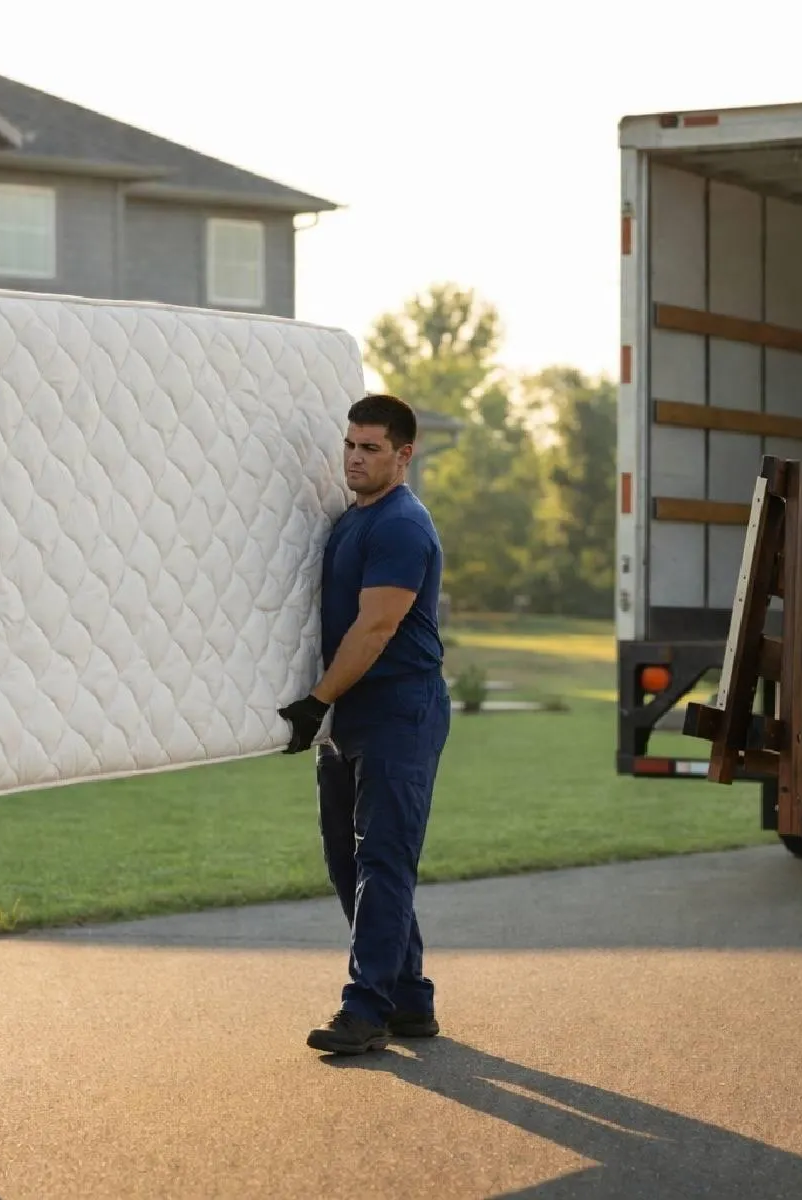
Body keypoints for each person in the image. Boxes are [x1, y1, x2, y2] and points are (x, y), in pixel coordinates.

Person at [278, 393, 451, 1055]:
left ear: (405, 454)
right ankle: (409, 999)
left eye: (371, 447)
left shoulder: (402, 526)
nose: (354, 457)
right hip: (352, 712)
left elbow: (376, 627)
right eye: (350, 444)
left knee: (383, 861)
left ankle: (366, 1008)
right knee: (346, 861)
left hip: (399, 711)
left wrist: (316, 699)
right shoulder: (354, 519)